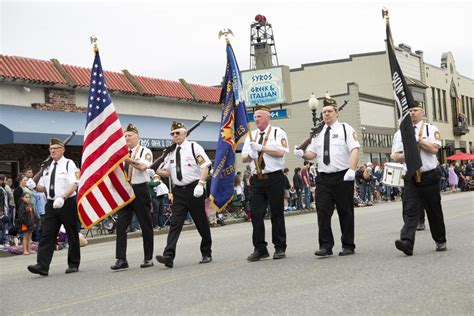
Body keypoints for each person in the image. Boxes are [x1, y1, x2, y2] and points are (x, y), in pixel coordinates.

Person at [294, 94, 360, 257]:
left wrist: (352, 169)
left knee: (345, 212)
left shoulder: (346, 129)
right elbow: (312, 154)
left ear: (337, 113)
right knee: (322, 212)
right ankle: (325, 245)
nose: (326, 114)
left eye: (330, 111)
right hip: (323, 178)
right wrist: (301, 153)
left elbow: (354, 150)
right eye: (324, 112)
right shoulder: (318, 133)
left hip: (343, 176)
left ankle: (348, 245)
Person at [390, 102, 447, 256]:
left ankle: (440, 240)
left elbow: (434, 149)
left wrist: (418, 140)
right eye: (409, 111)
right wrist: (407, 153)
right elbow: (394, 155)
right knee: (409, 210)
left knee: (433, 209)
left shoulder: (430, 129)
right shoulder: (400, 133)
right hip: (411, 176)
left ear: (422, 112)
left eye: (415, 110)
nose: (412, 113)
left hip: (428, 175)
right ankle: (407, 242)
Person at [155, 121, 212, 267]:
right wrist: (154, 171)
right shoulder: (171, 152)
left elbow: (205, 166)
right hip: (179, 191)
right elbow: (167, 171)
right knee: (175, 223)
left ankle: (206, 252)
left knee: (201, 222)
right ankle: (169, 255)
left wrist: (201, 184)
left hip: (194, 189)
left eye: (178, 133)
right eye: (173, 134)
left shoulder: (194, 147)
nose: (175, 136)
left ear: (185, 133)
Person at [26, 138, 80, 276]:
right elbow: (43, 188)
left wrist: (63, 197)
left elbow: (74, 183)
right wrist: (33, 186)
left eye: (56, 148)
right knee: (47, 235)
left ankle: (73, 263)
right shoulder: (47, 167)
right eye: (51, 149)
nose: (53, 151)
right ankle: (42, 266)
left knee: (72, 234)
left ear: (63, 149)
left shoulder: (69, 164)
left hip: (66, 202)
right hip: (51, 204)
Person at [241, 104, 289, 261]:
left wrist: (262, 148)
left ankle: (280, 247)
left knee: (276, 214)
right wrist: (251, 153)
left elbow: (280, 152)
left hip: (274, 177)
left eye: (259, 117)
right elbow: (243, 158)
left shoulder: (277, 132)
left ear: (268, 118)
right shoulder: (251, 135)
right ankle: (260, 248)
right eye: (254, 117)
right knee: (256, 214)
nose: (256, 120)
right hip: (256, 179)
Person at [111, 123, 154, 270]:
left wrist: (126, 159)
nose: (126, 138)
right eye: (125, 136)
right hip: (125, 190)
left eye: (129, 135)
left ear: (137, 137)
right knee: (121, 225)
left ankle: (148, 257)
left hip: (140, 189)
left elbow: (142, 167)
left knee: (145, 224)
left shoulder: (145, 151)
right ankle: (121, 259)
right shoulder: (122, 153)